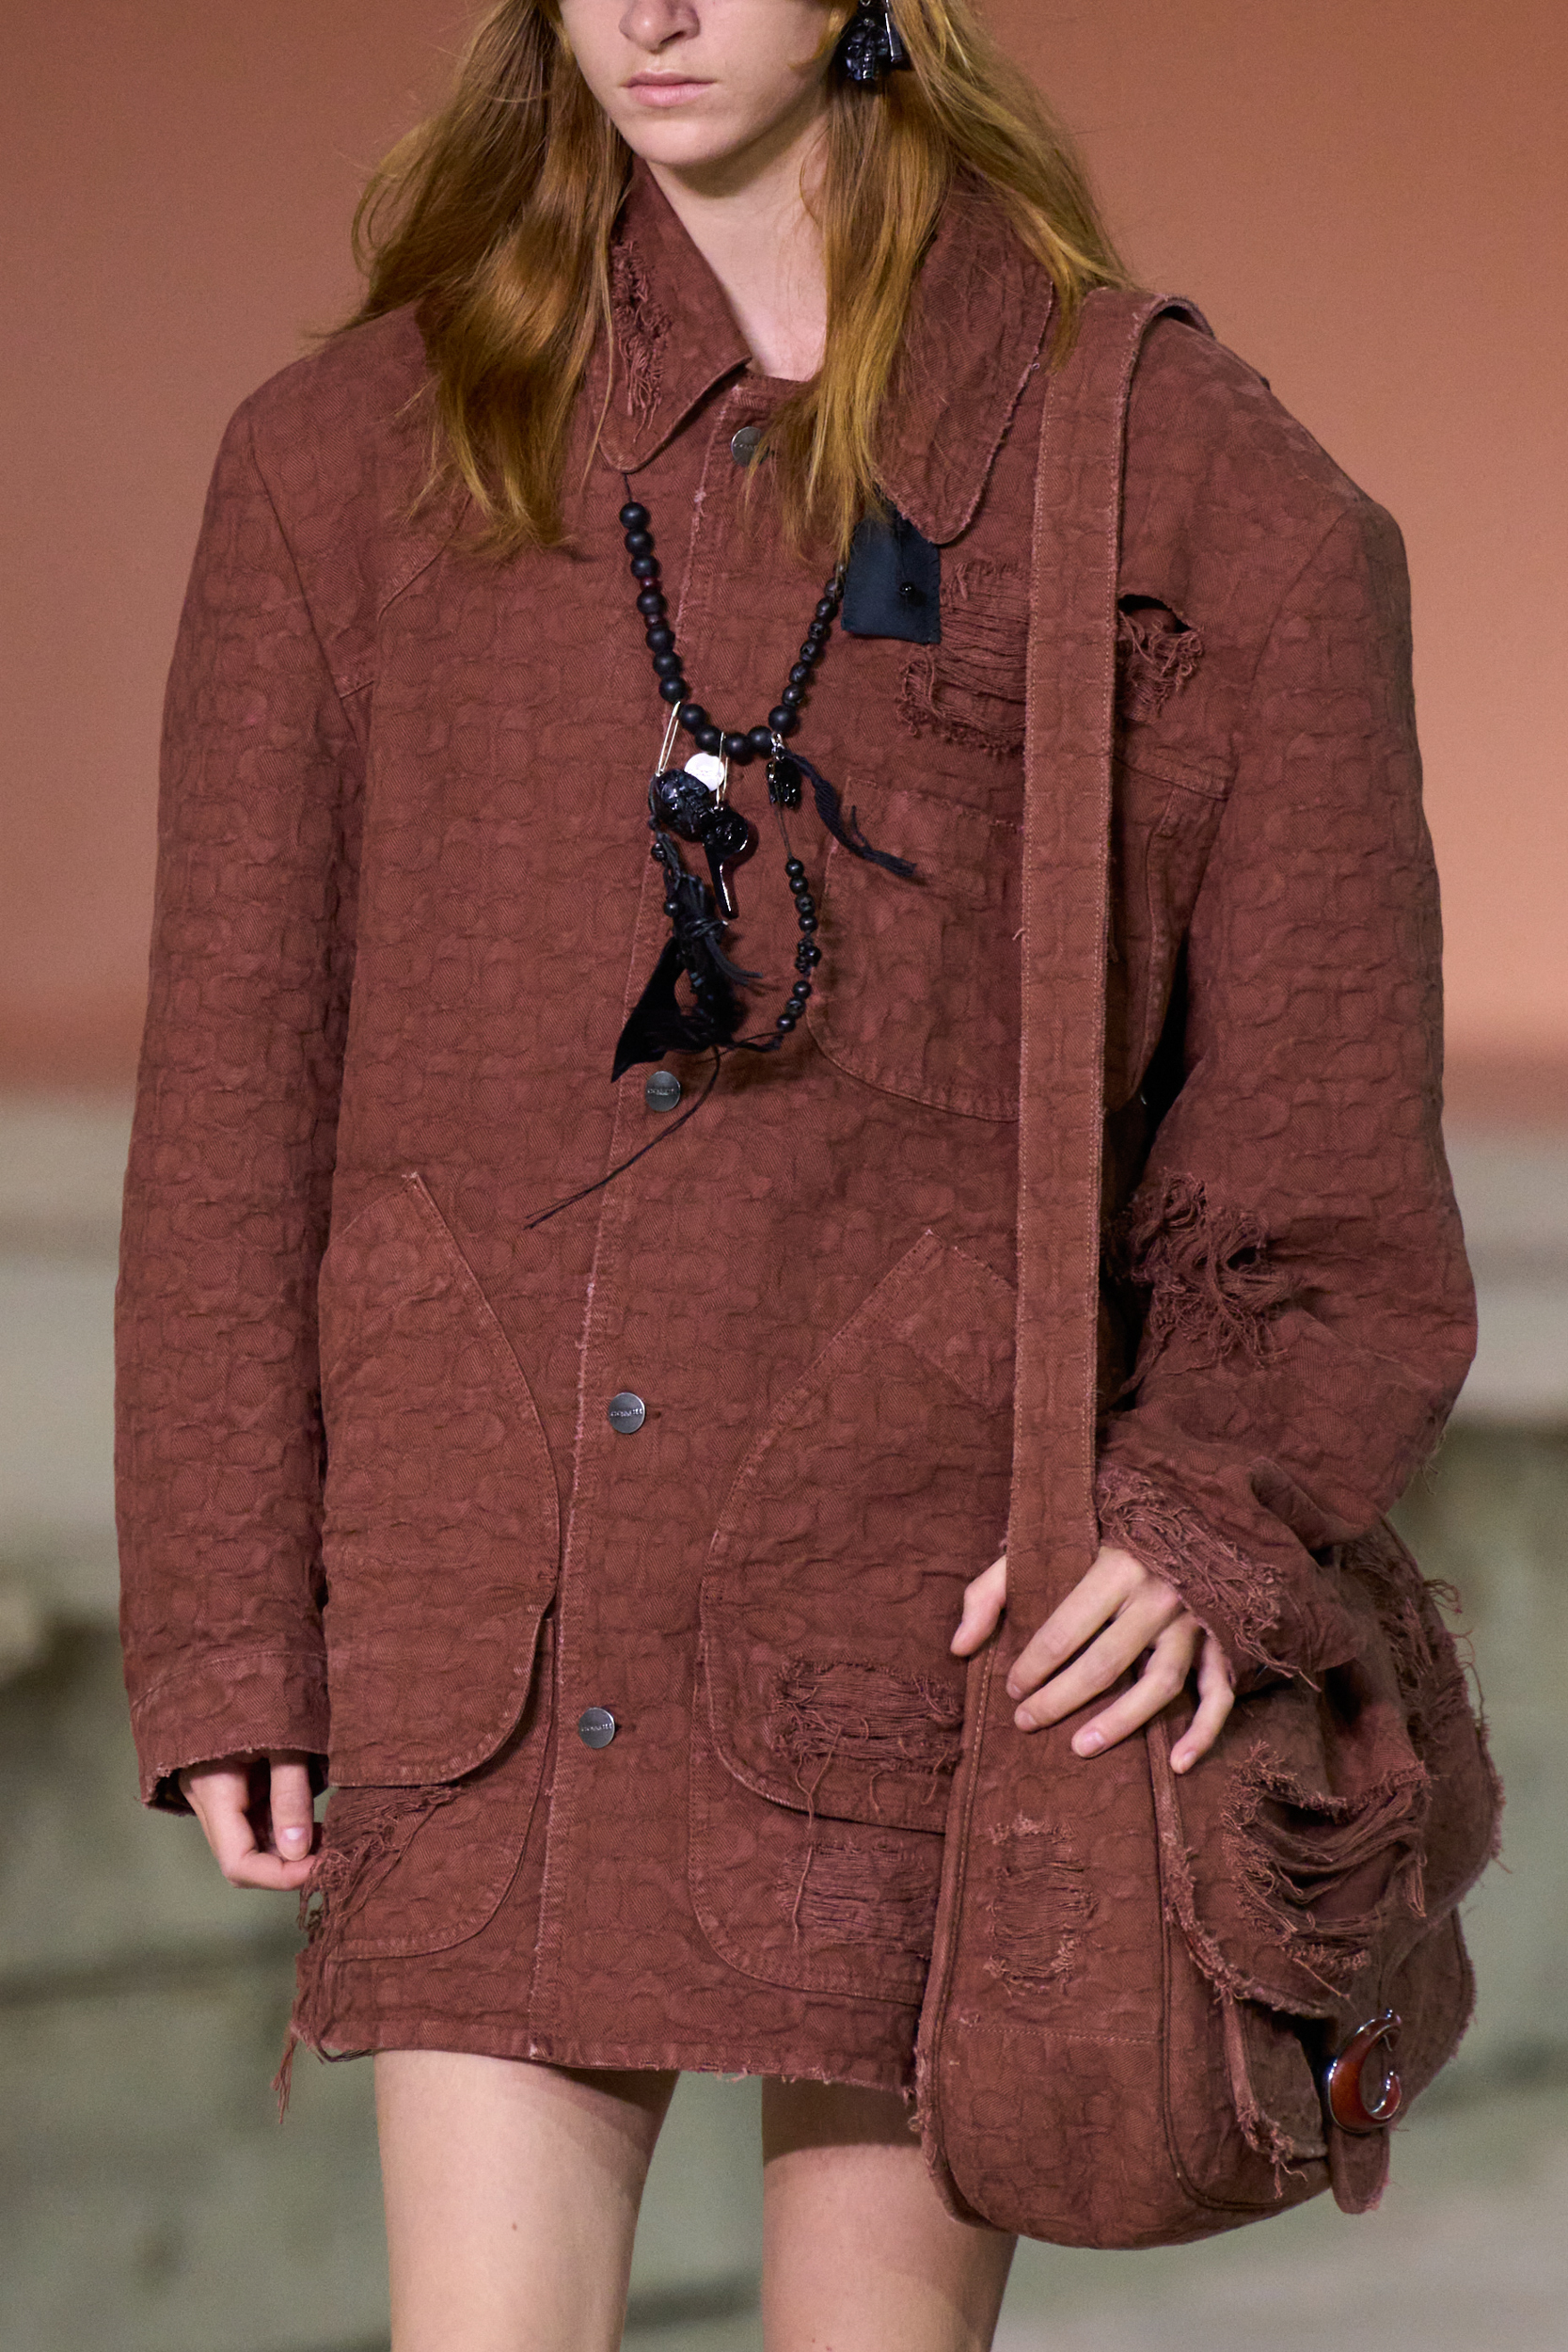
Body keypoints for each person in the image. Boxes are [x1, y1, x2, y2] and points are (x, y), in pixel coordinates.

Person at [116, 3, 1475, 2346]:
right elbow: (235, 1092)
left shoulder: (1162, 477)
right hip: (490, 1587)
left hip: (924, 1608)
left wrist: (1203, 1508)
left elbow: (1329, 1122)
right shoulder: (357, 464)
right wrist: (234, 1625)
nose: (649, 10)